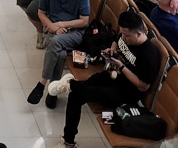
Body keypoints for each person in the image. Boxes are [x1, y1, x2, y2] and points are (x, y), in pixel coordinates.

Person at [54, 12, 163, 147]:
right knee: (75, 96)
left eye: (126, 35)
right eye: (122, 33)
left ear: (139, 34)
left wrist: (122, 67)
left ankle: (70, 84)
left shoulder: (149, 56)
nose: (123, 37)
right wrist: (112, 49)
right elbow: (116, 41)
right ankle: (68, 141)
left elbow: (142, 86)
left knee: (77, 92)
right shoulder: (126, 36)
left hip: (125, 93)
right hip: (112, 76)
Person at [26, 0, 92, 108]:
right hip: (55, 30)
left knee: (55, 42)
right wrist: (51, 26)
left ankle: (42, 84)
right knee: (60, 54)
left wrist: (61, 24)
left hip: (75, 32)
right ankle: (53, 92)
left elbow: (84, 21)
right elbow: (41, 13)